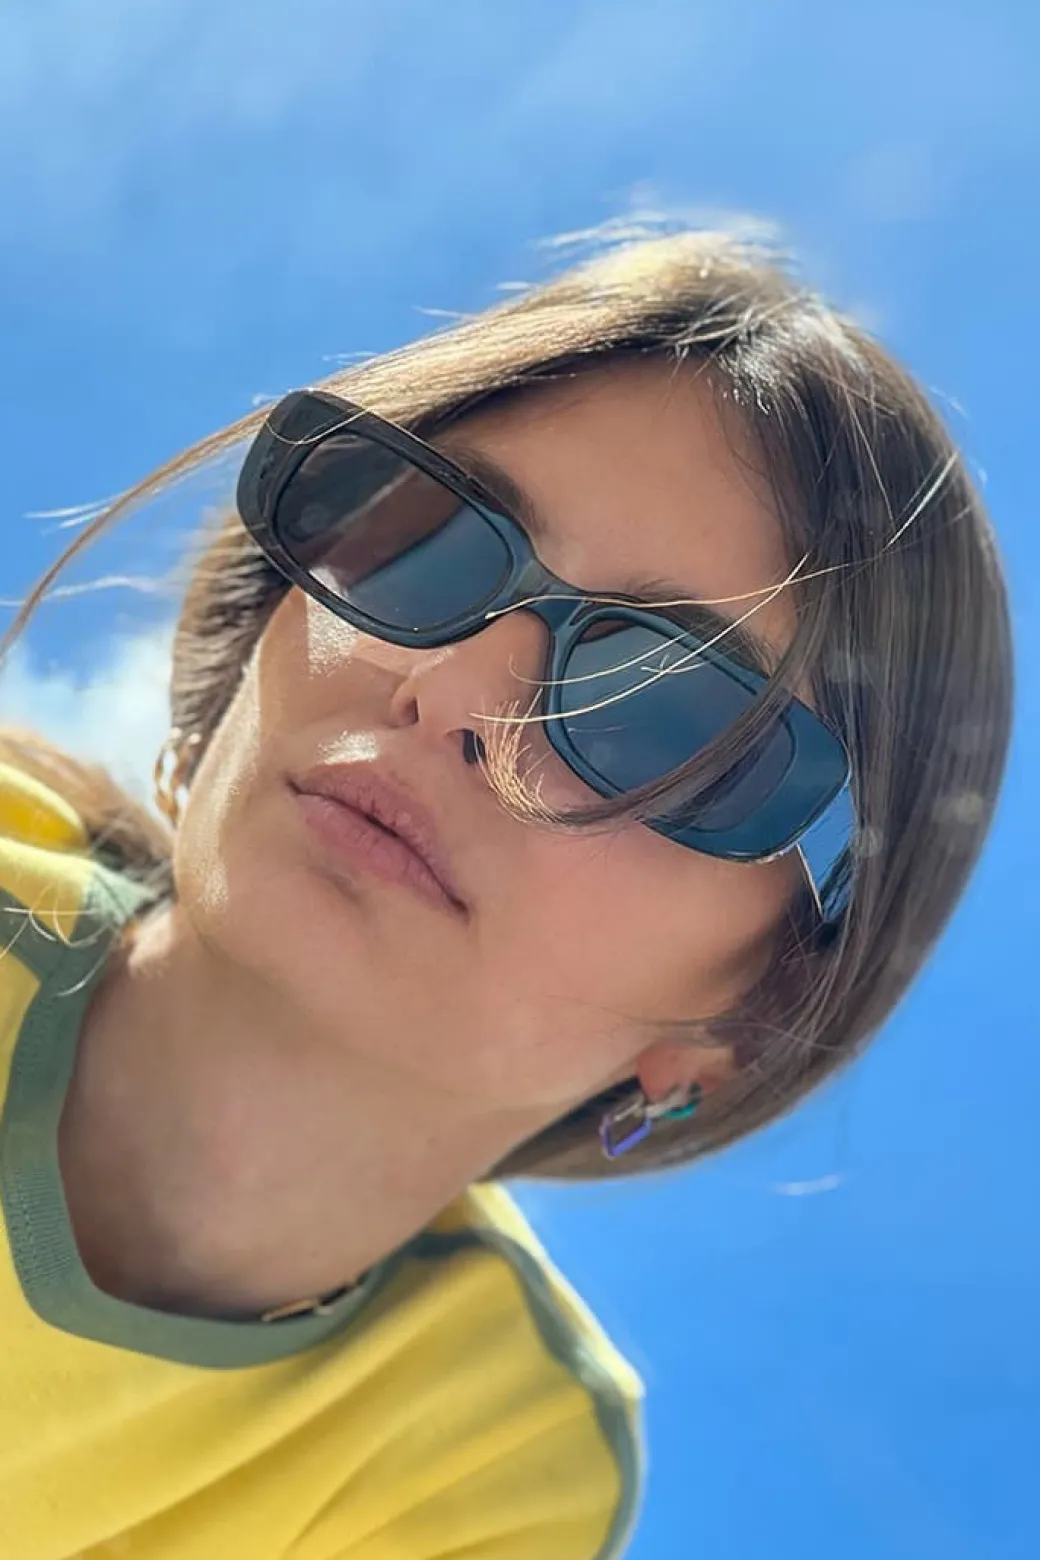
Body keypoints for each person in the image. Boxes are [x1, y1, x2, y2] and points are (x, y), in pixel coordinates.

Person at [0, 227, 1012, 1560]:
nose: (457, 693)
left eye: (666, 715)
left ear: (748, 1019)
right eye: (418, 544)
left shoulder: (498, 1467)